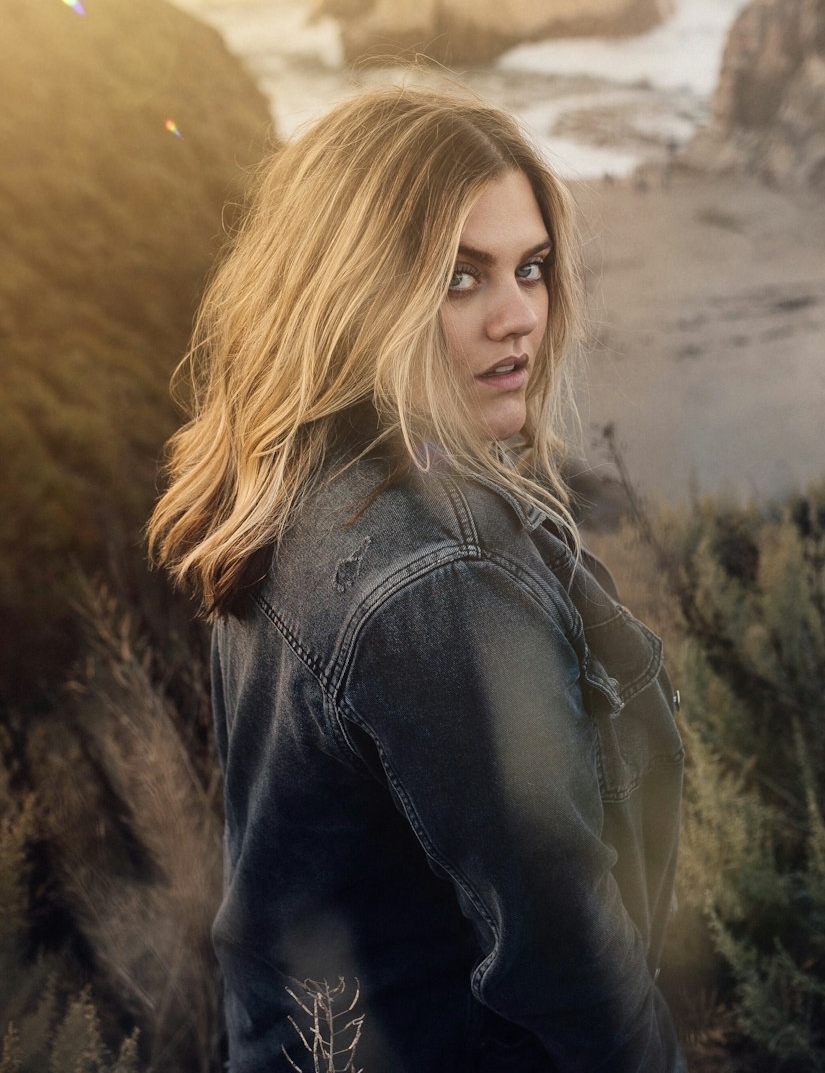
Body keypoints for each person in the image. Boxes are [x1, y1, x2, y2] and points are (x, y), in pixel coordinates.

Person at [149, 84, 687, 1072]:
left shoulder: (297, 477)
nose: (518, 314)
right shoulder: (432, 579)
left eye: (530, 267)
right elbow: (570, 964)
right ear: (359, 290)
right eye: (458, 277)